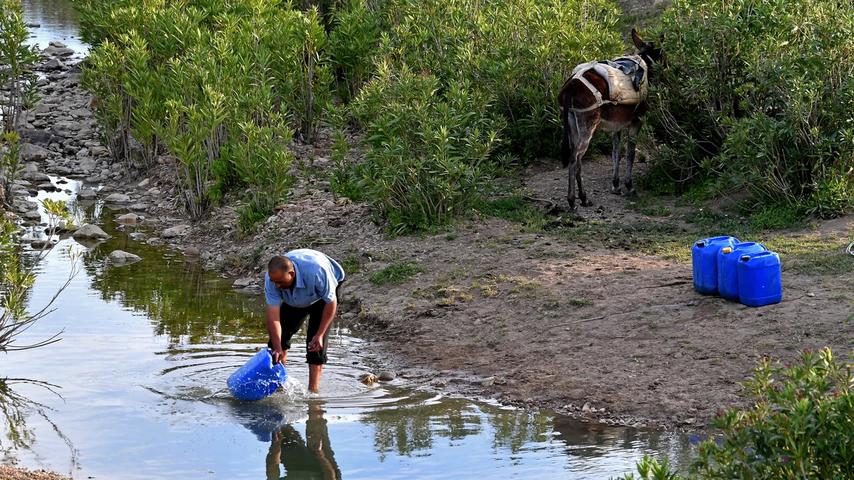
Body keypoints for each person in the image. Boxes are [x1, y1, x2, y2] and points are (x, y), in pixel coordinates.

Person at [264, 249, 345, 393]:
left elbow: (331, 302)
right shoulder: (274, 279)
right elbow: (273, 317)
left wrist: (319, 335)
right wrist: (277, 347)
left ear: (291, 274)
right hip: (294, 296)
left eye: (280, 282)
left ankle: (313, 392)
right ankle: (280, 385)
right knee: (278, 341)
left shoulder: (317, 271)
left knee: (315, 346)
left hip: (322, 298)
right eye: (274, 282)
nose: (277, 286)